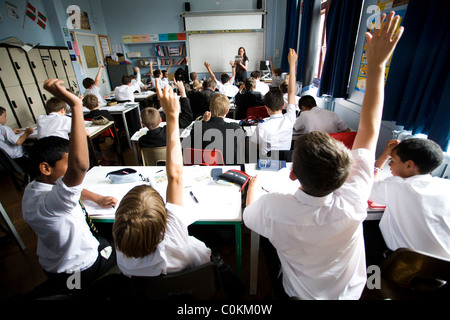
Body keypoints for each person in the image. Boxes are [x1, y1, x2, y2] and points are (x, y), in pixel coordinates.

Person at [243, 12, 404, 300]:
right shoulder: (354, 195)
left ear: (292, 174)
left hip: (300, 294)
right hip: (351, 293)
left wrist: (253, 187)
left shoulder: (274, 208)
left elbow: (248, 215)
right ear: (345, 172)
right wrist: (378, 67)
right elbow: (368, 130)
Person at [113, 80, 243, 299]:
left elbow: (174, 176)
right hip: (200, 282)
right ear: (163, 218)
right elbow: (174, 175)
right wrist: (172, 116)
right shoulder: (174, 231)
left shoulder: (122, 259)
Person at [22, 79, 118, 294]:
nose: (71, 171)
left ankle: (65, 290)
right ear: (46, 168)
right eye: (66, 164)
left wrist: (96, 198)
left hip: (54, 266)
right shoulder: (53, 203)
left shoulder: (33, 189)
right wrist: (76, 106)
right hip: (79, 270)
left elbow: (66, 189)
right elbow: (79, 167)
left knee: (103, 230)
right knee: (128, 242)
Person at [364, 138, 450, 265]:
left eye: (392, 160)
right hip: (443, 270)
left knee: (362, 226)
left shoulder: (397, 186)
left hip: (404, 265)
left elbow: (365, 184)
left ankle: (372, 280)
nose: (390, 165)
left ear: (409, 165)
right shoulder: (445, 186)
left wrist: (383, 157)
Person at [249, 53, 297, 159]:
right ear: (284, 104)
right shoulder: (290, 119)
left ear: (266, 108)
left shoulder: (262, 126)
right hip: (285, 163)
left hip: (266, 163)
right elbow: (291, 93)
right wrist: (292, 64)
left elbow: (253, 144)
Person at [184, 93, 246, 165]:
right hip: (228, 170)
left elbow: (189, 146)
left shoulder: (198, 127)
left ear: (210, 108)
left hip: (202, 168)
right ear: (227, 111)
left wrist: (203, 122)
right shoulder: (235, 128)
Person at [0, 106, 34, 171]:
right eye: (4, 116)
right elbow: (18, 142)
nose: (6, 119)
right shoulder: (5, 128)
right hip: (19, 159)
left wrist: (11, 132)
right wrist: (27, 133)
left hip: (7, 161)